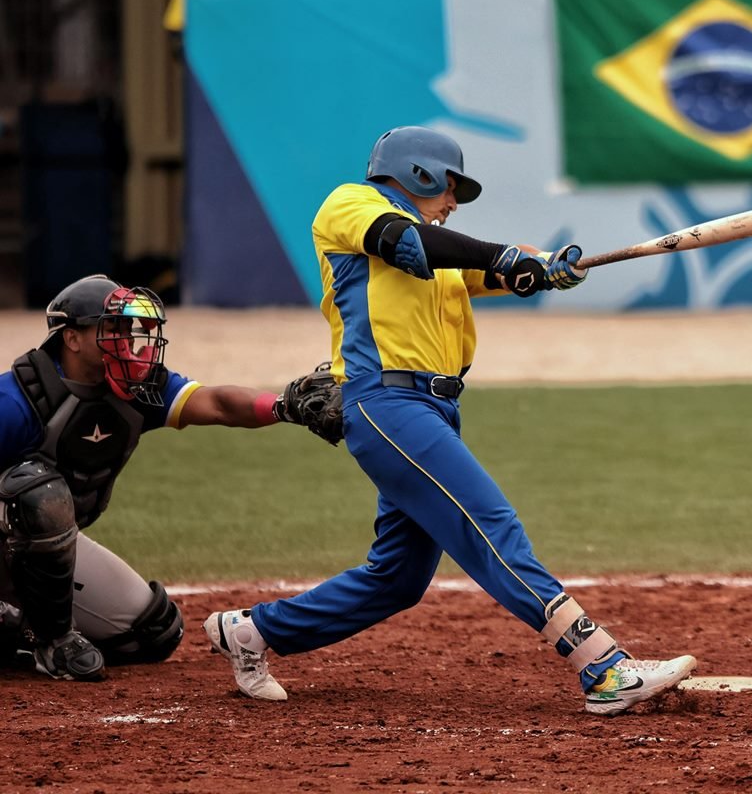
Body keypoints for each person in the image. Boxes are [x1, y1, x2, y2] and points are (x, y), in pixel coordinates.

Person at [206, 126, 697, 714]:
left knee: (398, 577)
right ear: (420, 173)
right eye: (451, 188)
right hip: (389, 406)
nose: (453, 203)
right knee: (489, 524)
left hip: (433, 410)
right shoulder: (352, 205)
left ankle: (252, 632)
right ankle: (603, 667)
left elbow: (481, 272)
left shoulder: (437, 250)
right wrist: (503, 256)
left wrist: (542, 267)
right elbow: (406, 242)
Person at [0, 275, 339, 681]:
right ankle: (53, 643)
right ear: (72, 339)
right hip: (11, 531)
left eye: (129, 329)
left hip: (40, 546)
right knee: (38, 496)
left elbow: (215, 404)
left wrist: (283, 406)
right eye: (112, 329)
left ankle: (14, 634)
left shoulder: (136, 387)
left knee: (151, 633)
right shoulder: (18, 399)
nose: (127, 340)